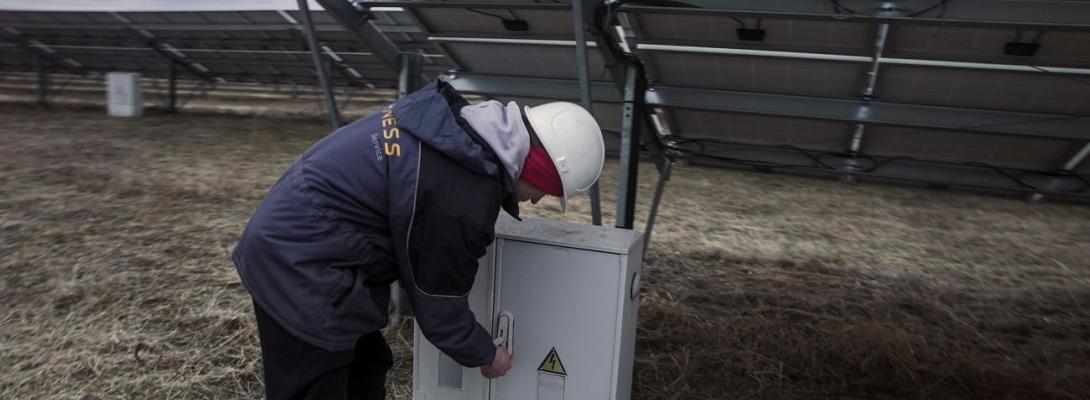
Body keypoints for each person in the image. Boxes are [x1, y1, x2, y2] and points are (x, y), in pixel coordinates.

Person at [231, 79, 605, 400]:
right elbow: (438, 305)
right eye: (545, 190)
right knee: (316, 382)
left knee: (367, 367)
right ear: (537, 166)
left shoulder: (454, 131)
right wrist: (487, 354)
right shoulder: (460, 192)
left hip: (314, 244)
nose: (539, 200)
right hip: (298, 264)